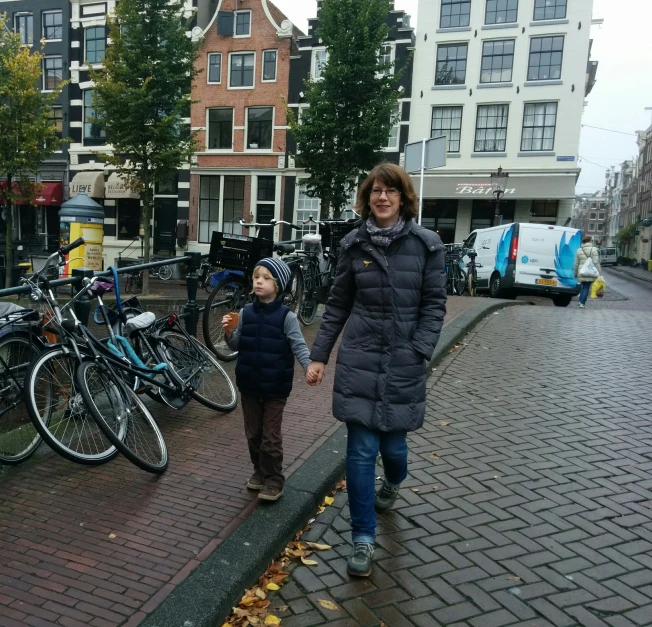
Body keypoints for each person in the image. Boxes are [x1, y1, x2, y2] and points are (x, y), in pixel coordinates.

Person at [306, 163, 447, 577]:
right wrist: (319, 355)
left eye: (390, 191)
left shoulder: (427, 246)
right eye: (375, 192)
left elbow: (434, 304)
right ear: (367, 199)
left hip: (404, 361)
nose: (382, 198)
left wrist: (420, 348)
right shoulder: (354, 245)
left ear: (403, 198)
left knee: (394, 452)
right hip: (360, 361)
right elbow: (337, 306)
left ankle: (394, 482)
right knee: (362, 451)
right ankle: (363, 538)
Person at [222, 258, 311, 502]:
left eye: (266, 278)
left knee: (270, 437)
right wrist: (229, 331)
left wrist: (309, 366)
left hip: (275, 387)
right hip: (249, 384)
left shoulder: (287, 317)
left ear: (279, 284)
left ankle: (274, 479)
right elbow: (236, 345)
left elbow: (299, 346)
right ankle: (259, 471)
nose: (259, 281)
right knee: (253, 434)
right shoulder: (245, 312)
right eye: (256, 277)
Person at [574, 235, 602, 309]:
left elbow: (576, 263)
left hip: (581, 271)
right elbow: (596, 262)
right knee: (586, 287)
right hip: (590, 271)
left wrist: (575, 273)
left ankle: (580, 302)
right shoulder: (593, 250)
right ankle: (582, 303)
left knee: (583, 287)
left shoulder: (579, 250)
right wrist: (599, 272)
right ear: (590, 241)